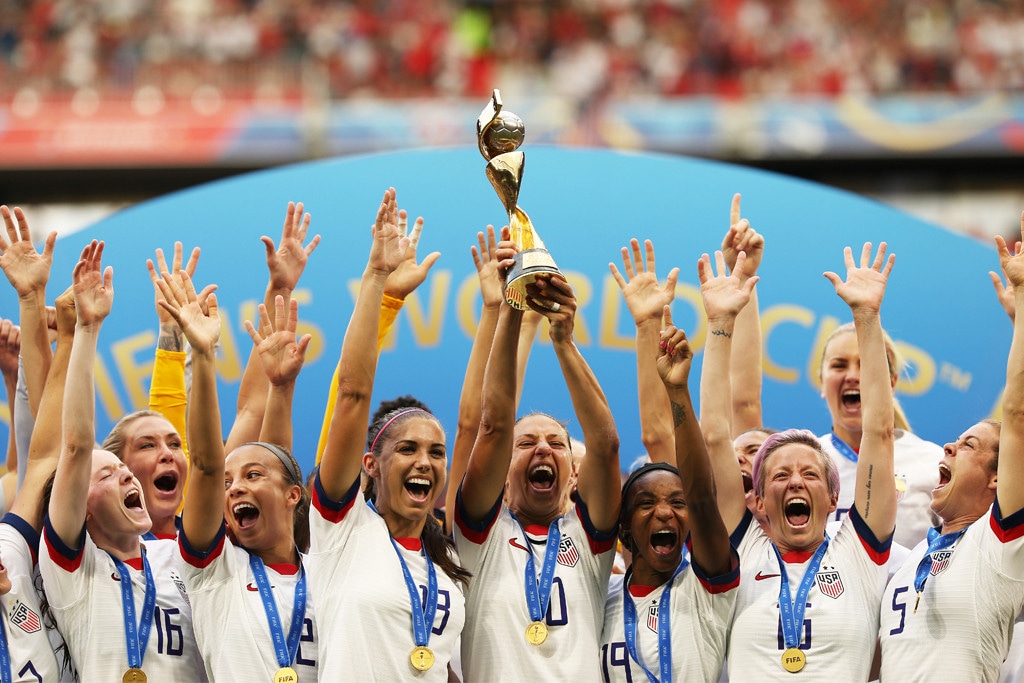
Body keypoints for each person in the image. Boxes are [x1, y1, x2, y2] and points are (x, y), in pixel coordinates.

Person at [713, 243, 897, 679]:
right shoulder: (742, 551)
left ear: (834, 497)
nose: (795, 482)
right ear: (756, 501)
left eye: (810, 473)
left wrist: (867, 320)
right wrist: (720, 325)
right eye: (780, 474)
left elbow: (879, 432)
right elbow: (716, 435)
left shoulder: (858, 553)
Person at [313, 188, 467, 680]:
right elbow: (352, 394)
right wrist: (377, 280)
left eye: (436, 453)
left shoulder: (447, 575)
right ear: (370, 465)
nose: (426, 461)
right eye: (408, 449)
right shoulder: (343, 531)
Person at [454, 228, 621, 681]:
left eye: (556, 443)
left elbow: (605, 444)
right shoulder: (477, 538)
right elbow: (490, 425)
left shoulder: (588, 538)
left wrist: (564, 340)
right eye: (525, 444)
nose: (543, 447)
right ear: (502, 473)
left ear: (573, 475)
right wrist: (511, 306)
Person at [38, 240, 206, 681]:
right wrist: (87, 331)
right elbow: (74, 447)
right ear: (81, 503)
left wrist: (188, 344)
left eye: (125, 472)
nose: (128, 475)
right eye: (108, 473)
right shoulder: (72, 568)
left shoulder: (179, 557)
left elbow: (199, 459)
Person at [877, 220, 1024, 681]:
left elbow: (1017, 414)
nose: (948, 445)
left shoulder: (998, 549)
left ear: (999, 477)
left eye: (968, 445)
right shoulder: (904, 564)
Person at [160, 269, 319, 680]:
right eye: (228, 484)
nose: (234, 489)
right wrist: (202, 353)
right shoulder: (213, 568)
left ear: (293, 495)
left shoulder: (327, 573)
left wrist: (282, 390)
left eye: (251, 476)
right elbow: (207, 466)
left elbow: (276, 456)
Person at [599, 283, 739, 682]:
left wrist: (678, 392)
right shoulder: (600, 601)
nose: (665, 511)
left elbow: (702, 496)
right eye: (646, 503)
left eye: (677, 503)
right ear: (623, 528)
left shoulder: (706, 585)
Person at [817, 316, 941, 550]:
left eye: (865, 364)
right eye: (839, 365)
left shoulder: (933, 462)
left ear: (891, 383)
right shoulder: (802, 461)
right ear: (822, 381)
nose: (852, 375)